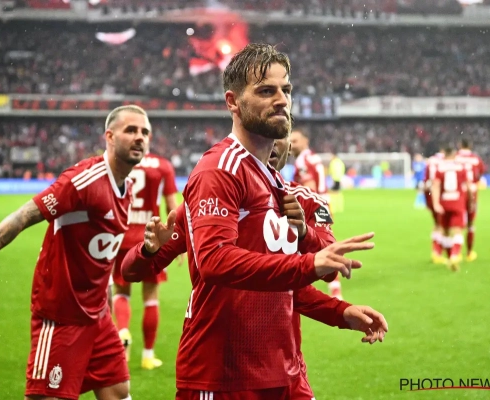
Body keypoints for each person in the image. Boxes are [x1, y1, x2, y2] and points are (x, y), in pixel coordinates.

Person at [141, 43, 385, 399]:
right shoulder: (219, 170)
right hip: (224, 375)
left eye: (286, 90)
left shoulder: (277, 184)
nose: (282, 100)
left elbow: (284, 287)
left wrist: (341, 312)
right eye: (266, 91)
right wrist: (310, 263)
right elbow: (213, 261)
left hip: (283, 369)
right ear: (233, 102)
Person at [121, 136, 388, 399]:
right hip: (219, 370)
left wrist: (305, 234)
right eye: (265, 135)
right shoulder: (216, 193)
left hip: (288, 371)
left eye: (280, 135)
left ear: (289, 147)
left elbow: (325, 268)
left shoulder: (313, 201)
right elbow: (131, 271)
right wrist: (148, 250)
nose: (272, 142)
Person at [0, 105, 153, 400]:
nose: (140, 137)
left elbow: (103, 257)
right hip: (61, 316)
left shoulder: (125, 188)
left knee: (117, 391)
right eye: (131, 130)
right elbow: (24, 215)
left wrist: (108, 311)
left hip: (98, 318)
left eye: (145, 132)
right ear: (110, 136)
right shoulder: (83, 181)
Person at [110, 141, 178, 369]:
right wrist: (175, 241)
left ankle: (122, 331)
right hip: (151, 239)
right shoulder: (162, 165)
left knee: (121, 291)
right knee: (151, 296)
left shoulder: (121, 162)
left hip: (122, 237)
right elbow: (172, 206)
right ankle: (148, 356)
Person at [290, 129, 342, 299]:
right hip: (324, 205)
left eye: (295, 141)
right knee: (325, 245)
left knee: (307, 246)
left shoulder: (302, 161)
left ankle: (301, 291)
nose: (291, 145)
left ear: (305, 141)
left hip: (314, 207)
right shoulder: (314, 157)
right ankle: (335, 290)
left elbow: (309, 188)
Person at [431, 144, 473, 272]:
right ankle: (454, 255)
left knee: (444, 230)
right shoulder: (460, 167)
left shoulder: (440, 168)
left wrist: (435, 203)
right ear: (454, 155)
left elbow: (435, 185)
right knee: (458, 230)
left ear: (444, 155)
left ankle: (446, 255)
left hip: (444, 202)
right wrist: (471, 200)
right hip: (457, 202)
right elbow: (468, 185)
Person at [456, 139, 486, 262]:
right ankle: (469, 253)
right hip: (472, 193)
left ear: (459, 145)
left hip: (459, 192)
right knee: (470, 224)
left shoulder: (455, 157)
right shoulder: (476, 159)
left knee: (457, 224)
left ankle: (456, 253)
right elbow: (481, 173)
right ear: (470, 146)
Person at [424, 148, 445, 264]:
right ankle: (437, 252)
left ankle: (436, 251)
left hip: (430, 194)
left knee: (437, 224)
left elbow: (426, 182)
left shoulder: (430, 161)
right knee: (443, 225)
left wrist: (427, 201)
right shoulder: (447, 161)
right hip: (442, 195)